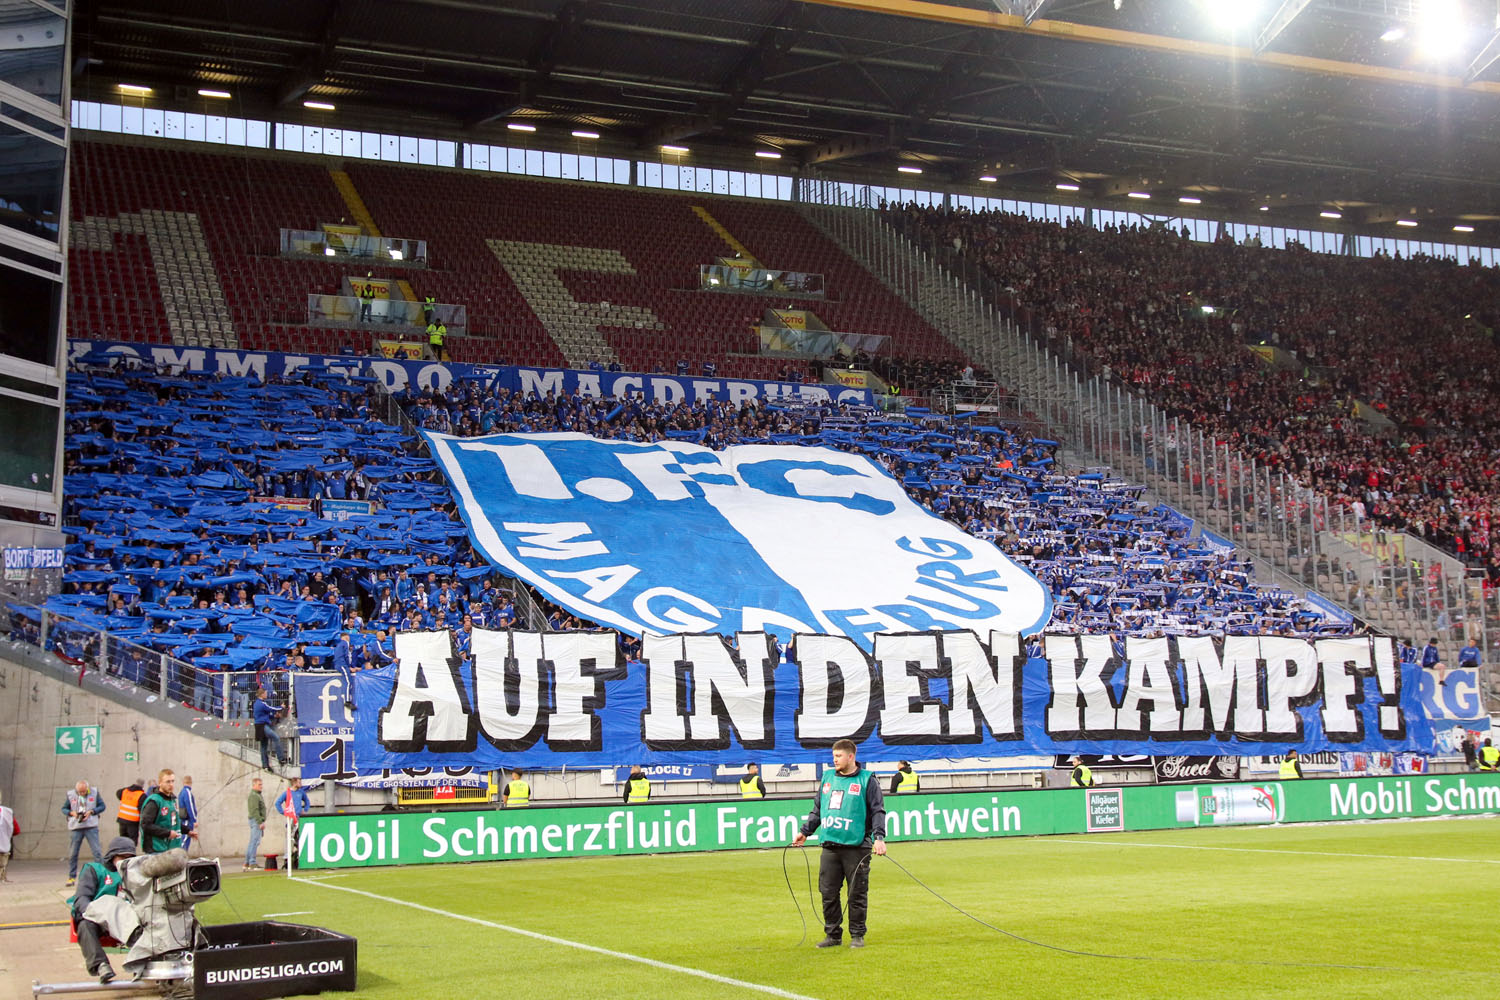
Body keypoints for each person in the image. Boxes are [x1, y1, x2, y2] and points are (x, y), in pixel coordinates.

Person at [790, 739, 887, 949]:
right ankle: (833, 935)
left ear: (851, 756)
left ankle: (857, 935)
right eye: (833, 756)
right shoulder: (827, 778)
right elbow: (818, 810)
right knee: (828, 892)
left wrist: (879, 838)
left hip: (857, 846)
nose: (835, 760)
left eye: (839, 756)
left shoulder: (867, 780)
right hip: (830, 846)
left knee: (857, 893)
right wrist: (805, 831)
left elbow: (878, 810)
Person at [70, 836, 137, 984]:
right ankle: (101, 965)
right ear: (112, 856)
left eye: (129, 858)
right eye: (122, 857)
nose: (124, 862)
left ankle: (142, 965)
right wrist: (93, 912)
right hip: (98, 918)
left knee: (148, 922)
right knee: (85, 925)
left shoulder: (135, 874)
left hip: (126, 919)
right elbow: (81, 898)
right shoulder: (94, 870)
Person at [63, 779, 106, 885]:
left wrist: (92, 811)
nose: (82, 793)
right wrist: (71, 813)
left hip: (91, 826)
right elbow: (64, 808)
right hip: (76, 826)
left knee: (97, 852)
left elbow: (102, 806)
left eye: (83, 791)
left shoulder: (94, 793)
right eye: (79, 792)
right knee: (73, 853)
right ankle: (71, 877)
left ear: (87, 788)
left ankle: (101, 876)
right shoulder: (71, 795)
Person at [138, 769, 183, 853]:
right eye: (168, 782)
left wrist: (188, 831)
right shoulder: (154, 801)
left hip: (170, 848)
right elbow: (145, 825)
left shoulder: (172, 800)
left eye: (173, 781)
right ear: (160, 782)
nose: (171, 785)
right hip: (156, 849)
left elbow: (173, 822)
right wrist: (167, 833)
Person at [275, 778, 311, 869]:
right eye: (299, 782)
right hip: (291, 818)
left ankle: (299, 855)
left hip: (299, 818)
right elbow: (278, 803)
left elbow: (307, 801)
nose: (301, 784)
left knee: (300, 836)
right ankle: (288, 857)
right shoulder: (287, 793)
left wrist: (305, 809)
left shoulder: (301, 792)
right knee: (289, 837)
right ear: (294, 783)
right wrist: (284, 812)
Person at [254, 688, 287, 770]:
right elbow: (271, 708)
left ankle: (265, 765)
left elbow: (265, 714)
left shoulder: (258, 703)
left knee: (263, 746)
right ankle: (281, 758)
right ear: (262, 694)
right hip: (262, 725)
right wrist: (281, 707)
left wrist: (273, 716)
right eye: (265, 693)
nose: (267, 695)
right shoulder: (261, 703)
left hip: (259, 725)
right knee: (276, 738)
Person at [245, 776, 266, 872]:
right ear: (254, 785)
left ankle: (247, 862)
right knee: (254, 842)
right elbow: (255, 810)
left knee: (252, 842)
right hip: (256, 820)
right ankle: (252, 862)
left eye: (261, 784)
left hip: (256, 820)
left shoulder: (257, 795)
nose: (261, 786)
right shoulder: (254, 795)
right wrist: (260, 822)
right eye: (259, 784)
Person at [115, 778, 144, 843]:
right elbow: (142, 810)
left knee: (123, 841)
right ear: (142, 786)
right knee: (132, 842)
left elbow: (118, 793)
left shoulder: (125, 791)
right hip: (133, 822)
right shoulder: (142, 795)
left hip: (122, 820)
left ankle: (123, 852)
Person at [177, 775, 198, 853]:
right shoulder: (187, 792)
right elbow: (190, 807)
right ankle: (181, 854)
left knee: (184, 838)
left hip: (183, 818)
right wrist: (194, 820)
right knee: (185, 839)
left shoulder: (181, 792)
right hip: (187, 820)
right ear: (190, 782)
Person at [0, 789, 16, 882]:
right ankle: (2, 877)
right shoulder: (7, 812)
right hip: (4, 842)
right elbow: (15, 828)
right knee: (3, 863)